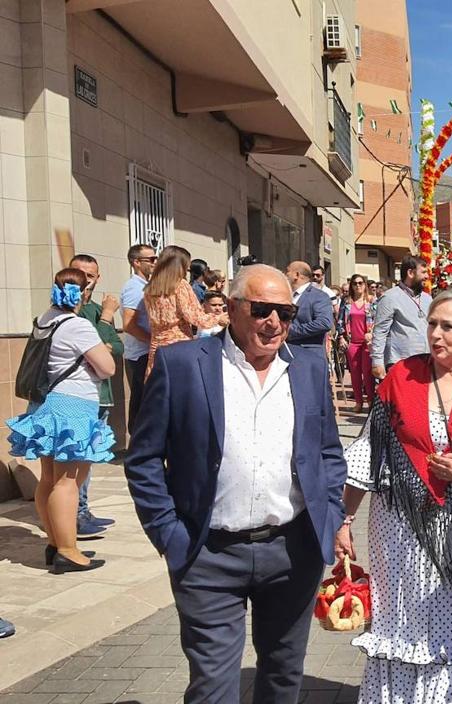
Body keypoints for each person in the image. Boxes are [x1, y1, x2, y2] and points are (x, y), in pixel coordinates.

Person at [125, 264, 347, 703]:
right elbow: (145, 457)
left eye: (285, 313)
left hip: (292, 550)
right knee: (213, 686)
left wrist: (334, 516)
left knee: (283, 677)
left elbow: (327, 451)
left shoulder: (306, 367)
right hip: (207, 552)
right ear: (230, 308)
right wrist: (168, 532)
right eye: (262, 309)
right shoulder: (182, 364)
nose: (275, 323)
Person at [337, 289, 452, 704]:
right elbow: (366, 453)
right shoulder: (401, 377)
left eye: (448, 326)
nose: (436, 334)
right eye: (432, 325)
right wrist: (344, 520)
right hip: (397, 529)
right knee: (402, 619)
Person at [8, 268, 116, 573]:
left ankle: (57, 543)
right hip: (72, 405)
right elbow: (107, 368)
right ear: (82, 293)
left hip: (45, 405)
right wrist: (104, 348)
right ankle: (68, 550)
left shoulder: (45, 319)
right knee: (68, 480)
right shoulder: (77, 325)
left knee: (50, 478)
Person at [69, 254, 123, 536]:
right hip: (78, 396)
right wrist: (106, 317)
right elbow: (89, 348)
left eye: (91, 276)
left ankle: (81, 510)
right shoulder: (69, 311)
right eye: (80, 274)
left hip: (100, 393)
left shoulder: (93, 310)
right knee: (72, 465)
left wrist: (103, 338)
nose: (86, 281)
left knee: (86, 460)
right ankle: (73, 516)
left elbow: (115, 346)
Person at [144, 245, 228, 377]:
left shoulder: (150, 288)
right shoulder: (180, 285)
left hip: (157, 346)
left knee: (158, 388)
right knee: (179, 389)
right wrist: (218, 318)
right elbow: (195, 317)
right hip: (179, 346)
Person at [372, 257, 432, 380]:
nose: (427, 276)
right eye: (423, 272)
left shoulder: (427, 299)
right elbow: (380, 332)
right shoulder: (390, 298)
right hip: (400, 363)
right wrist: (377, 361)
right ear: (410, 273)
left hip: (426, 361)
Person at [121, 243, 156, 431]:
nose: (154, 262)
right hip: (140, 354)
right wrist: (154, 341)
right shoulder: (135, 288)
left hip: (145, 352)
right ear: (136, 262)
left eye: (155, 258)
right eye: (150, 259)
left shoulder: (145, 286)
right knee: (142, 403)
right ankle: (137, 450)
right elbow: (129, 324)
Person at [341, 275, 376, 414]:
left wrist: (372, 334)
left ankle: (371, 401)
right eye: (355, 283)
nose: (358, 286)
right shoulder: (347, 302)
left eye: (360, 283)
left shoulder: (372, 301)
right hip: (352, 342)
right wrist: (342, 338)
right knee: (355, 374)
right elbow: (340, 322)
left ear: (365, 285)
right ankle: (358, 402)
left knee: (368, 374)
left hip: (367, 343)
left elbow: (378, 319)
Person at [284, 261, 335, 350]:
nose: (285, 275)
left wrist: (291, 331)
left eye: (287, 271)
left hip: (307, 352)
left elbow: (324, 323)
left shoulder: (319, 296)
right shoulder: (287, 294)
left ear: (296, 275)